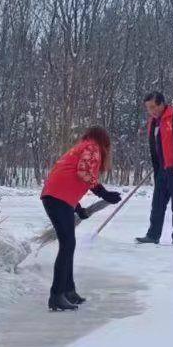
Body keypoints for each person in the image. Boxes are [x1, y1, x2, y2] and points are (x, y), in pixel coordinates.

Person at [40, 127, 123, 310]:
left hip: (56, 197)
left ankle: (68, 291)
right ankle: (57, 295)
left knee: (68, 244)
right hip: (58, 199)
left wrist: (78, 208)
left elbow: (66, 177)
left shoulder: (80, 147)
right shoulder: (93, 147)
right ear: (104, 142)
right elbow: (83, 172)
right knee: (67, 245)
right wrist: (104, 193)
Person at [136, 91, 173, 247]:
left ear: (162, 104)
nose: (151, 110)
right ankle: (153, 235)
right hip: (162, 168)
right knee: (158, 203)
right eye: (148, 108)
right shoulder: (153, 122)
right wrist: (158, 163)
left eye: (153, 107)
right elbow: (156, 145)